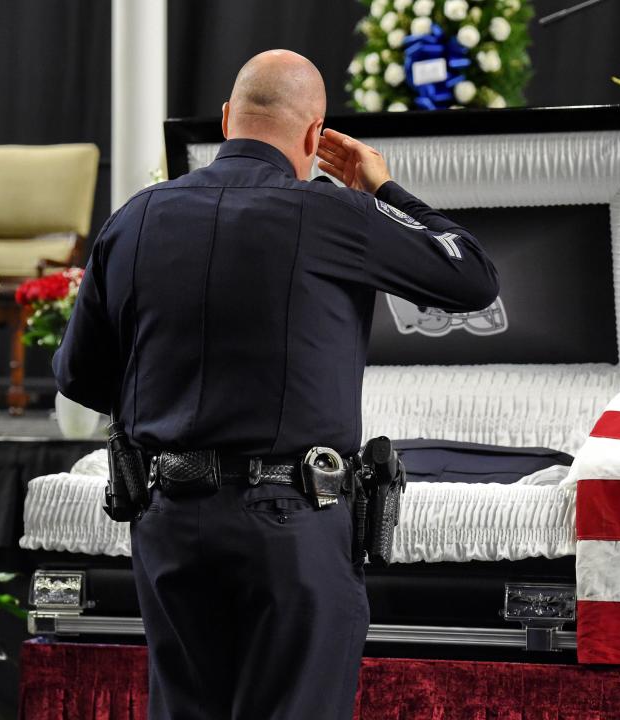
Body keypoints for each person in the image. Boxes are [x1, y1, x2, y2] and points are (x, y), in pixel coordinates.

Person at [53, 49, 499, 719]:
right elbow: (471, 277)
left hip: (169, 525)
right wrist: (382, 190)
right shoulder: (333, 215)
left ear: (229, 119)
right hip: (292, 530)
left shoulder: (136, 218)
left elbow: (78, 375)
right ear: (316, 136)